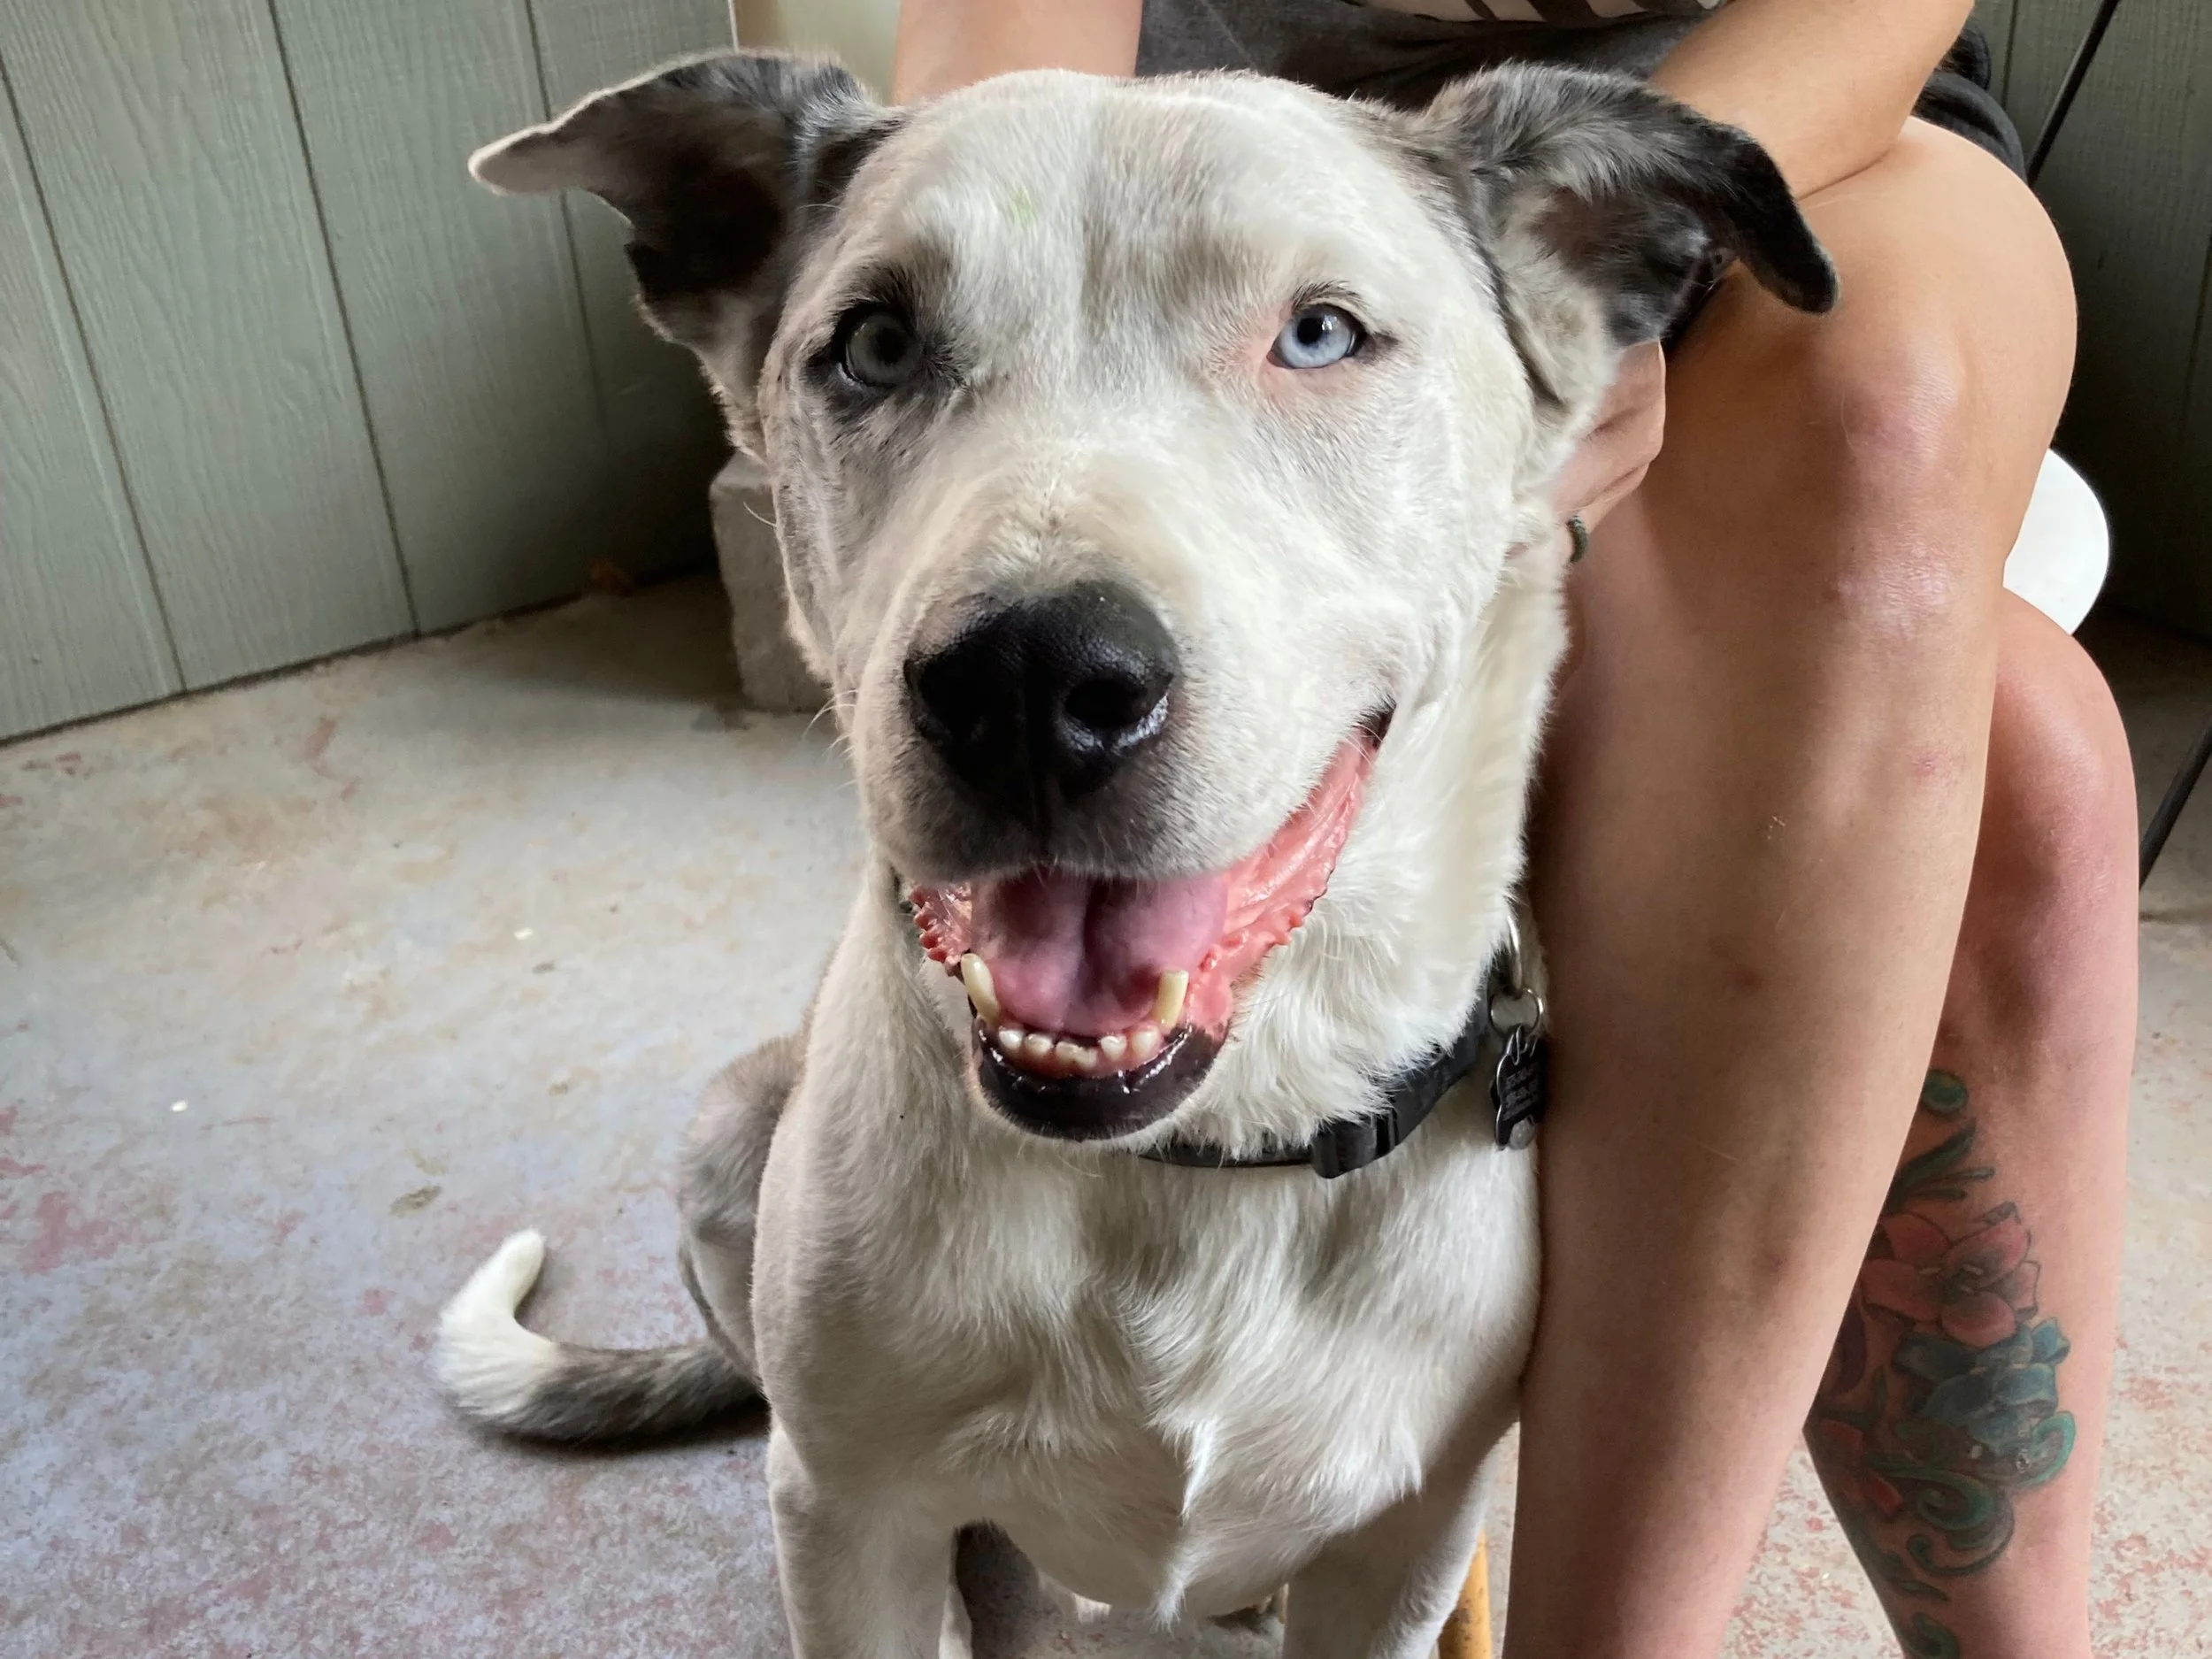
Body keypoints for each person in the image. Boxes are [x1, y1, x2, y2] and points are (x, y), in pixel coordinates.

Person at [890, 3, 2138, 1656]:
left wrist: (1530, 254)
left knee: (1876, 408)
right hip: (1234, 148)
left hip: (1787, 123)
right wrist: (1002, 338)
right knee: (2022, 760)